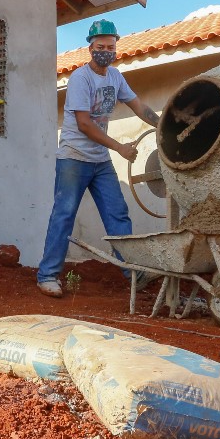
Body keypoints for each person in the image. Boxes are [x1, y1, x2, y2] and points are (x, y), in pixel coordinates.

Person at [36, 19, 160, 297]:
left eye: (110, 46)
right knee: (64, 214)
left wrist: (163, 124)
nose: (106, 50)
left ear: (116, 47)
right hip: (74, 157)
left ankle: (132, 274)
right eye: (100, 46)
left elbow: (138, 106)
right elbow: (84, 124)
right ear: (90, 49)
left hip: (99, 160)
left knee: (117, 213)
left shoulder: (115, 77)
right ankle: (47, 276)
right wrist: (119, 147)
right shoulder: (81, 79)